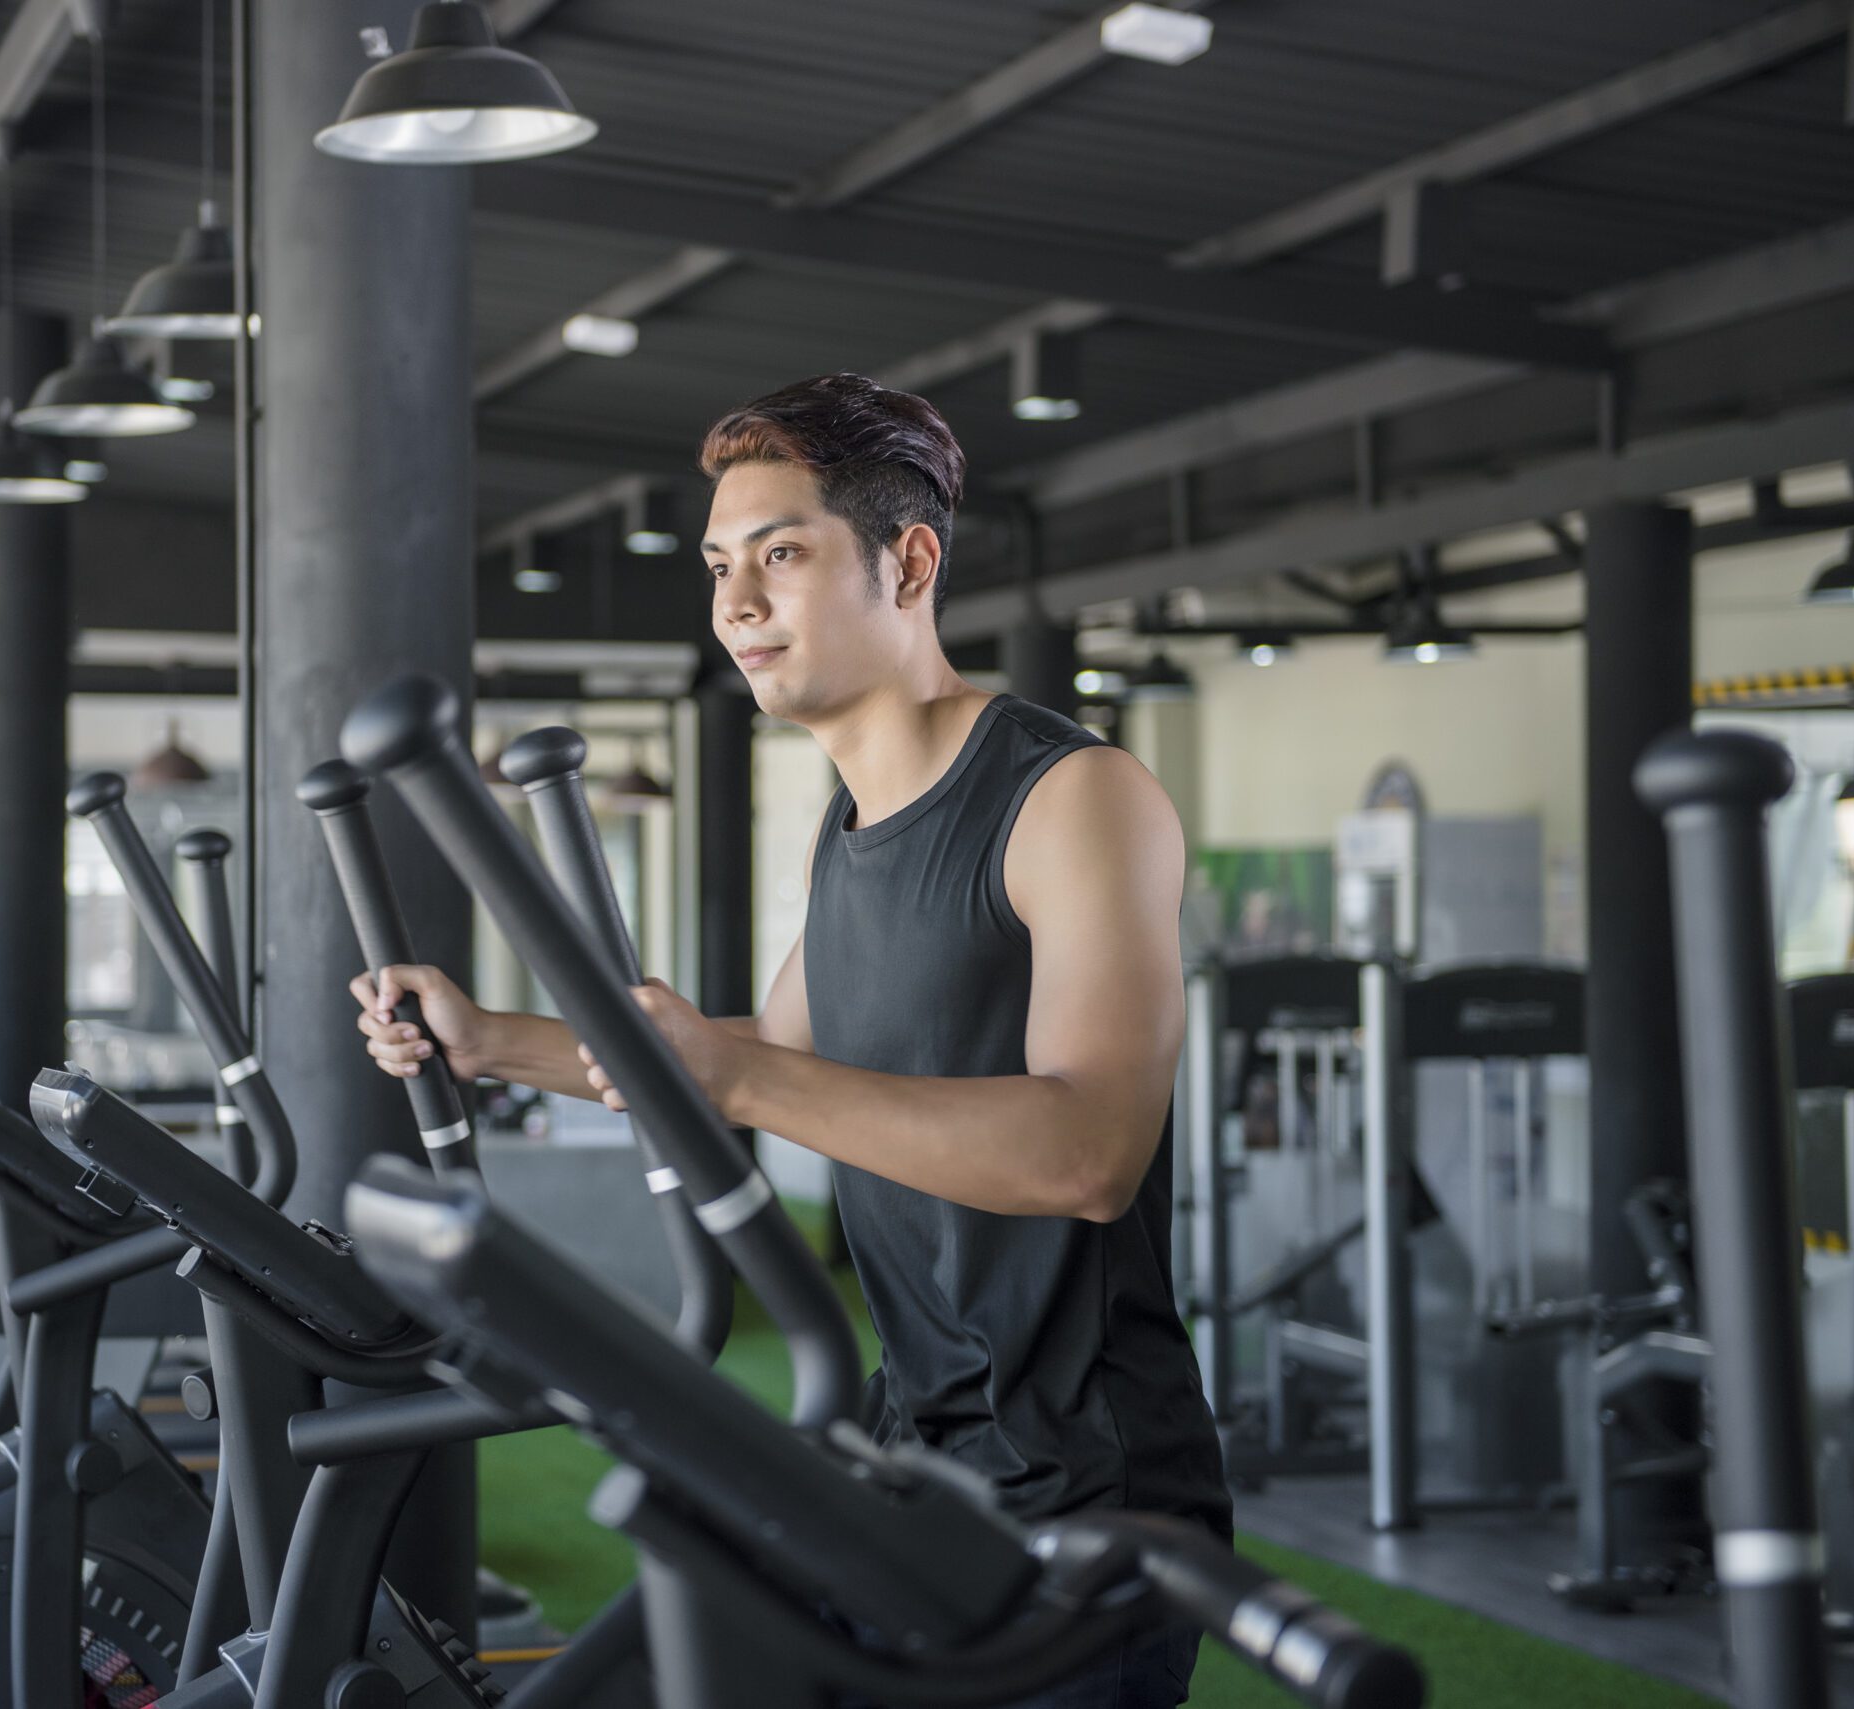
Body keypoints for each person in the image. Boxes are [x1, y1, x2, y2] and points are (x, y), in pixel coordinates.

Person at [351, 373, 1229, 1708]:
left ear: (910, 560)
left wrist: (738, 1066)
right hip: (909, 1453)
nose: (734, 605)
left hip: (1079, 1495)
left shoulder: (1073, 796)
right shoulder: (851, 826)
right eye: (719, 564)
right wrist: (487, 1042)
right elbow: (761, 1052)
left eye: (781, 554)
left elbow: (1089, 1150)